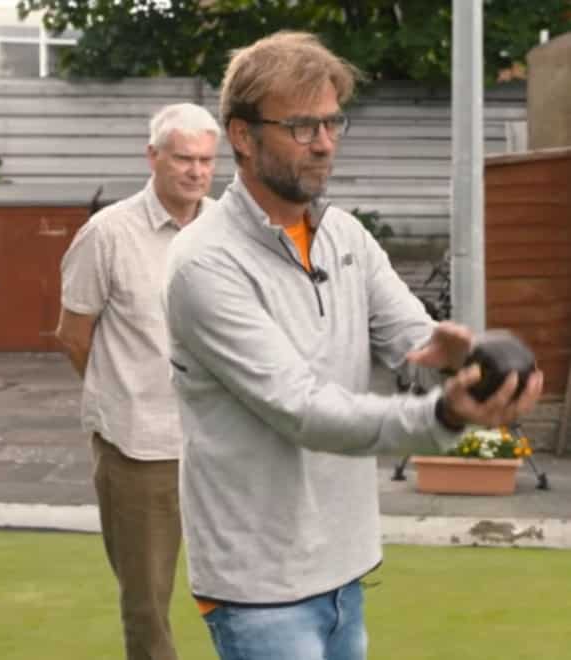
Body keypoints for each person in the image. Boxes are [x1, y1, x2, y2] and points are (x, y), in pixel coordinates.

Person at [163, 32, 543, 660]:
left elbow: (411, 338)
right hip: (261, 584)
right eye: (302, 125)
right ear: (241, 134)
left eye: (333, 121)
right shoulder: (203, 265)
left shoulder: (343, 235)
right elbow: (302, 410)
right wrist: (444, 416)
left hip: (344, 563)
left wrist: (464, 358)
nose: (325, 142)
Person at [56, 102, 220, 660]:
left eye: (205, 160)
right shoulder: (106, 235)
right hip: (139, 447)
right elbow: (74, 335)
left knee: (249, 585)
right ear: (152, 157)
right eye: (183, 159)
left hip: (222, 446)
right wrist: (121, 394)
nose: (196, 172)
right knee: (147, 602)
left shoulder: (231, 230)